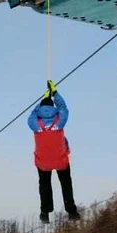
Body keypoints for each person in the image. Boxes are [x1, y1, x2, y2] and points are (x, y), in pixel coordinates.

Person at [27, 80, 80, 223]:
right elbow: (63, 107)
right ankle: (72, 212)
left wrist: (44, 99)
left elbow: (32, 113)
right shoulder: (60, 120)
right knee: (66, 183)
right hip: (61, 159)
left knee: (44, 185)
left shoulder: (35, 124)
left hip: (43, 162)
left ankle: (45, 213)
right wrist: (54, 93)